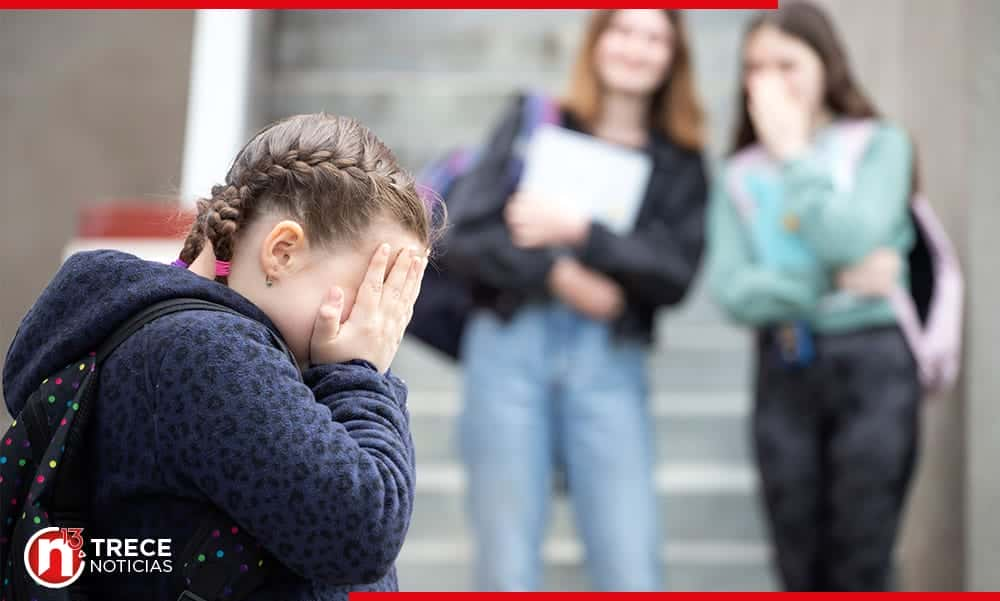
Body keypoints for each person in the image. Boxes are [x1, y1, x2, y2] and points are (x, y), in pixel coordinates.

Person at [3, 114, 433, 600]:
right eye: (371, 293)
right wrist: (362, 372)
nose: (378, 325)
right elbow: (361, 532)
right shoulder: (203, 351)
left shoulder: (174, 340)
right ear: (283, 252)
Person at [445, 9, 708, 591]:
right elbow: (463, 238)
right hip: (509, 351)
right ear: (597, 41)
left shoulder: (680, 160)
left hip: (608, 363)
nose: (636, 48)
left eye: (654, 37)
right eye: (624, 30)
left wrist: (580, 230)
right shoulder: (536, 118)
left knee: (630, 566)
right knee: (505, 567)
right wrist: (561, 276)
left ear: (673, 56)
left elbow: (676, 273)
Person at [706, 1, 921, 590]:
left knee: (863, 552)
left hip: (873, 362)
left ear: (825, 63)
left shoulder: (879, 143)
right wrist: (828, 281)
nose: (770, 82)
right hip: (785, 363)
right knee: (796, 556)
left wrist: (796, 154)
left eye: (786, 64)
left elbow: (855, 235)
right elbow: (733, 289)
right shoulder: (739, 172)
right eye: (755, 68)